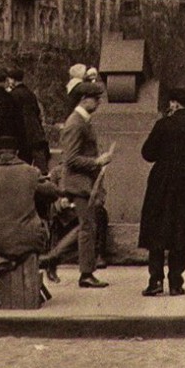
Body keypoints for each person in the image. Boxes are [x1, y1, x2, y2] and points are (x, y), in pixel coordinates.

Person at [0, 135, 60, 306]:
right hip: (28, 237)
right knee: (39, 230)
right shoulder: (31, 173)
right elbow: (52, 193)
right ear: (17, 152)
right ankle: (15, 266)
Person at [138, 88, 185, 296]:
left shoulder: (163, 125)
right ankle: (176, 282)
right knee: (182, 228)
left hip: (163, 179)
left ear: (175, 104)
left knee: (157, 227)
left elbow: (147, 153)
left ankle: (155, 280)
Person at [59, 80, 114, 288]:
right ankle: (84, 273)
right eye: (95, 98)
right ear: (84, 99)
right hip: (79, 184)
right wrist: (97, 161)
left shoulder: (82, 121)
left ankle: (57, 261)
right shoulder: (76, 123)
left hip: (83, 183)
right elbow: (71, 159)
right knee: (87, 228)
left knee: (86, 227)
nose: (99, 102)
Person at [6, 67, 50, 173]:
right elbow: (37, 111)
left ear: (12, 80)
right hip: (35, 132)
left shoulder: (13, 95)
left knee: (22, 165)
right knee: (40, 166)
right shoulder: (30, 94)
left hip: (22, 132)